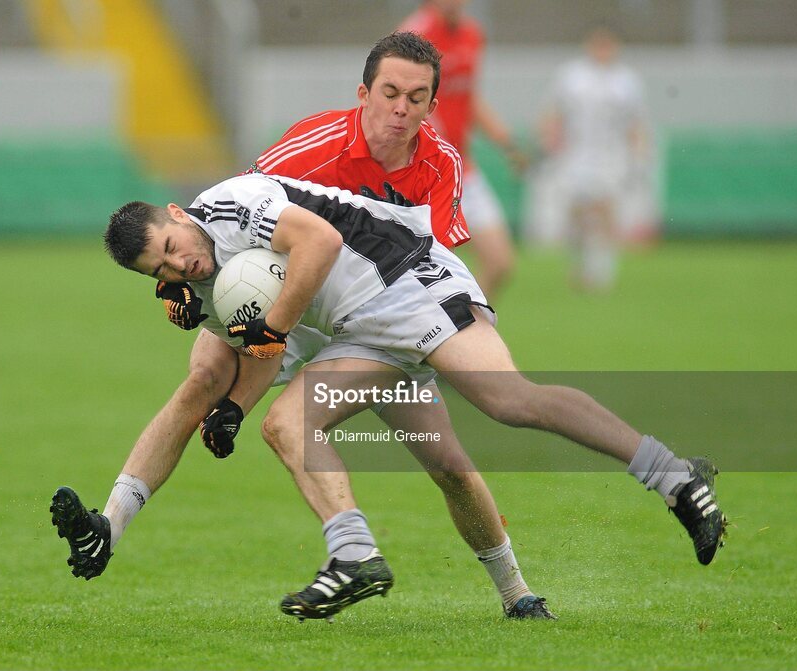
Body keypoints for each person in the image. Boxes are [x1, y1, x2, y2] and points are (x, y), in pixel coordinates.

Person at [51, 33, 556, 620]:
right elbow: (243, 221)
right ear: (365, 96)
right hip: (294, 304)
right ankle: (108, 525)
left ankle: (516, 593)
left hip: (375, 316)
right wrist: (188, 292)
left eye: (412, 99)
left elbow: (428, 264)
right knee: (202, 379)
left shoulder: (435, 165)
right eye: (389, 96)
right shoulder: (305, 150)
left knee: (446, 463)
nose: (399, 113)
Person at [95, 171, 727, 622]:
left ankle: (672, 474)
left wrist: (270, 336)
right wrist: (234, 407)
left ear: (177, 215)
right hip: (358, 335)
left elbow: (319, 247)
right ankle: (366, 559)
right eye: (163, 272)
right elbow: (265, 346)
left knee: (508, 402)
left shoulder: (233, 205)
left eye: (173, 251)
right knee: (298, 427)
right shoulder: (198, 294)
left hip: (405, 280)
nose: (183, 270)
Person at [400, 0, 525, 299]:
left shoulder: (471, 34)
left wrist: (505, 142)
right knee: (425, 271)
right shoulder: (413, 37)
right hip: (422, 171)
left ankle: (458, 329)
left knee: (499, 262)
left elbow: (468, 98)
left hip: (461, 167)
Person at [538, 23, 650, 291]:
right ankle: (579, 265)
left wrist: (639, 157)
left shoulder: (627, 81)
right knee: (577, 213)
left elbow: (636, 123)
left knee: (604, 210)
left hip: (612, 156)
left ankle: (601, 272)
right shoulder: (572, 76)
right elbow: (554, 113)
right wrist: (549, 143)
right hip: (576, 154)